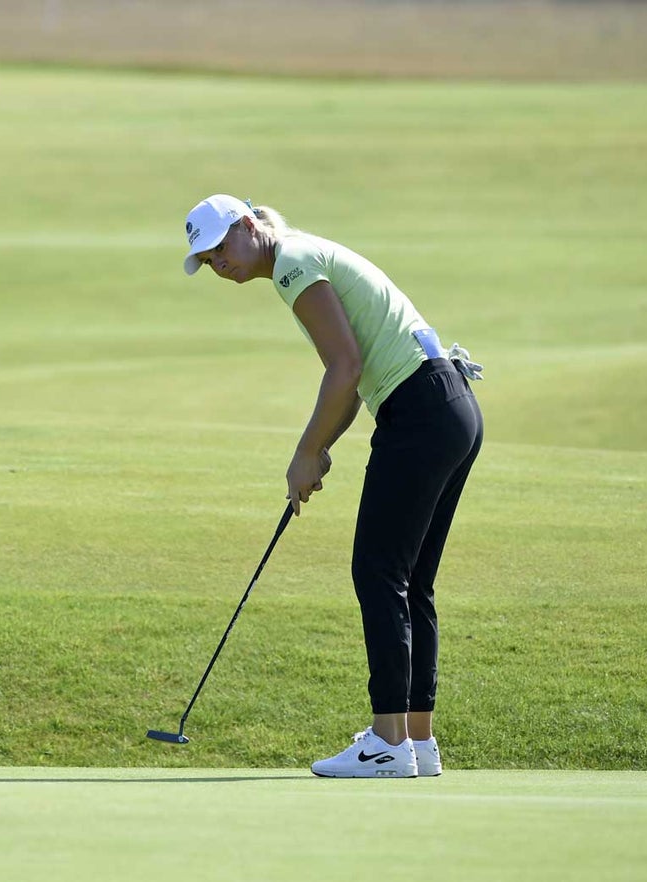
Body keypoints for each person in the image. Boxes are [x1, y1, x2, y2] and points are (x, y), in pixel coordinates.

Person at [181, 194, 484, 778]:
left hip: (420, 410)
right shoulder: (303, 255)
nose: (220, 263)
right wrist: (321, 447)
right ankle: (417, 740)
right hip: (448, 407)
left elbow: (342, 368)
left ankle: (388, 742)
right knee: (411, 581)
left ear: (248, 227)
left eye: (222, 246)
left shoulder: (292, 263)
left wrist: (302, 452)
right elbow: (353, 377)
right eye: (208, 258)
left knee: (379, 573)